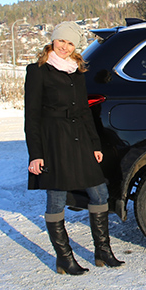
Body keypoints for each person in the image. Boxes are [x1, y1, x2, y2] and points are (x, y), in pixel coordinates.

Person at [24, 21, 124, 275]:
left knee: (99, 193)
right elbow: (31, 115)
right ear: (52, 40)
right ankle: (64, 258)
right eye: (61, 41)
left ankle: (103, 252)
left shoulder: (76, 71)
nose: (65, 47)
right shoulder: (37, 71)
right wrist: (35, 154)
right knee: (57, 199)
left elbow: (83, 111)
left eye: (70, 43)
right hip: (53, 141)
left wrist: (94, 144)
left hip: (79, 138)